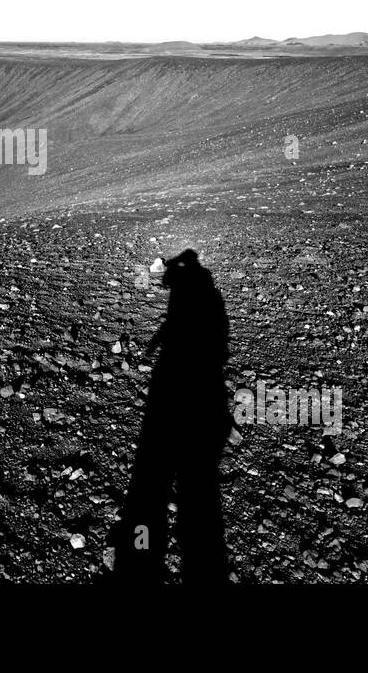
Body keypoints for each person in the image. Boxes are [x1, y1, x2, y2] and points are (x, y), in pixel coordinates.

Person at [113, 249, 231, 583]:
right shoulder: (205, 291)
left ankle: (140, 563)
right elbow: (218, 340)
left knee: (155, 484)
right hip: (200, 381)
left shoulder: (195, 290)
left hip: (183, 378)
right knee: (197, 499)